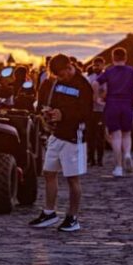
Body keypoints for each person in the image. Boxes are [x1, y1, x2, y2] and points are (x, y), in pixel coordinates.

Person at [29, 54, 92, 232]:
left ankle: (72, 217)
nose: (61, 78)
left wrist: (64, 115)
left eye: (62, 74)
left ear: (69, 66)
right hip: (57, 135)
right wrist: (49, 112)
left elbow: (87, 113)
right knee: (49, 172)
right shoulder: (57, 83)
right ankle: (49, 213)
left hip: (74, 137)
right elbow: (54, 102)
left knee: (72, 178)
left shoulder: (83, 85)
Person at [94, 48, 133, 177]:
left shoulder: (109, 71)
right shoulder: (132, 71)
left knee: (116, 136)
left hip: (112, 105)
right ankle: (127, 153)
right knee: (127, 134)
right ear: (125, 57)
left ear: (113, 58)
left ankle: (118, 167)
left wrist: (96, 98)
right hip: (127, 105)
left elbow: (95, 83)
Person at [86, 57, 106, 166]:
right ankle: (91, 158)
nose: (96, 67)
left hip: (101, 111)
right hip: (91, 110)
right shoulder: (90, 78)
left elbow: (107, 92)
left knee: (100, 136)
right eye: (94, 65)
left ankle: (100, 159)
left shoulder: (106, 78)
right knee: (90, 135)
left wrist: (100, 97)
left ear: (103, 65)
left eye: (98, 65)